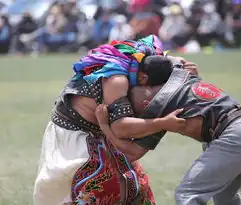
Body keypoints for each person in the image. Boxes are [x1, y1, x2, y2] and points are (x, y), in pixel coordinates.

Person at [33, 35, 187, 205]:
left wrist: (178, 65)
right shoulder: (117, 81)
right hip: (76, 136)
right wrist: (162, 123)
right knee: (102, 186)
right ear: (143, 79)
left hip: (99, 130)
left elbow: (168, 58)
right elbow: (121, 128)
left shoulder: (144, 57)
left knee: (134, 185)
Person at [96, 66, 241, 205]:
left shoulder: (157, 108)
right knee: (226, 197)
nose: (136, 113)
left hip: (234, 137)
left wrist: (105, 126)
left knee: (188, 194)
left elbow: (133, 152)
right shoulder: (182, 75)